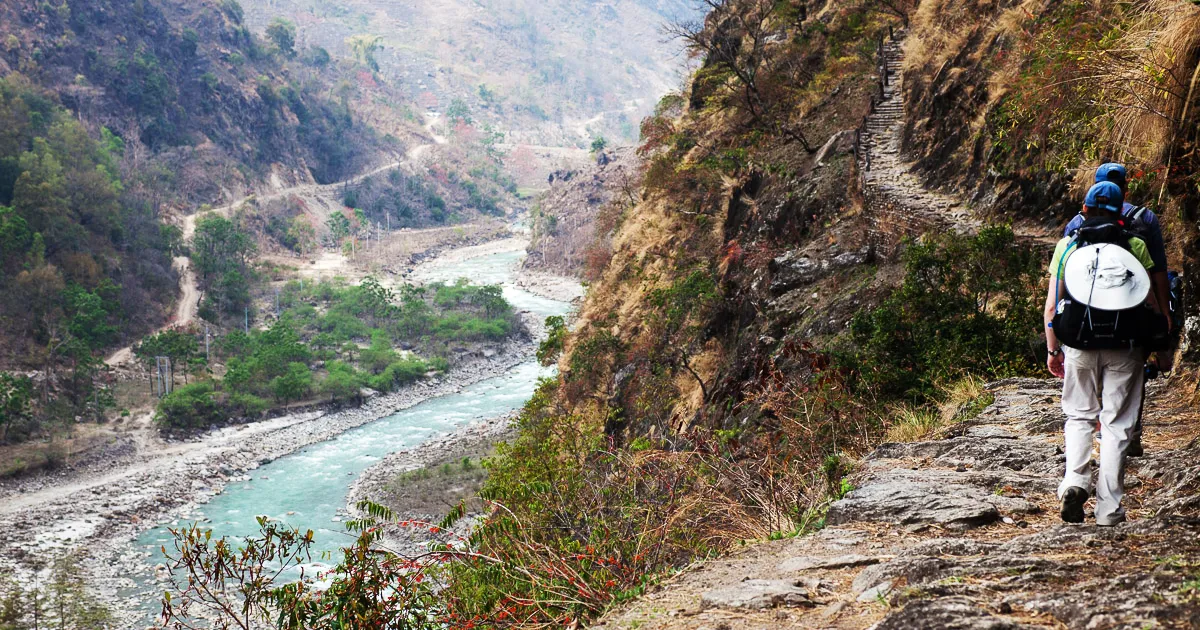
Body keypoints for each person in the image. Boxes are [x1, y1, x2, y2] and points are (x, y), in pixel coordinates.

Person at [1046, 181, 1162, 526]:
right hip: (1126, 347)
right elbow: (1151, 300)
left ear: (1083, 209)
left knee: (1079, 416)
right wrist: (1158, 345)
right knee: (1116, 427)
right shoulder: (1136, 245)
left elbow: (1053, 304)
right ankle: (1109, 510)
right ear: (1121, 209)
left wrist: (1053, 349)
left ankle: (1075, 482)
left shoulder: (1068, 245)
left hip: (1079, 345)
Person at [1063, 163, 1171, 457]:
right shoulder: (1144, 218)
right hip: (1132, 310)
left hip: (1087, 311)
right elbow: (1158, 271)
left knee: (1092, 368)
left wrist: (1058, 323)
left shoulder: (1076, 224)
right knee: (1132, 365)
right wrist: (1164, 312)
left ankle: (1094, 437)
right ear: (1126, 188)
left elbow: (1065, 275)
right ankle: (1129, 433)